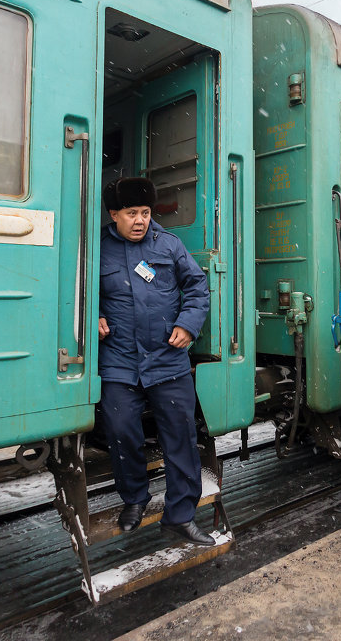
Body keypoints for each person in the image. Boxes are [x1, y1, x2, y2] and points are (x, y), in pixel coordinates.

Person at [97, 177, 214, 546]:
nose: (140, 221)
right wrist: (92, 317)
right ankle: (134, 497)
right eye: (131, 213)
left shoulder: (170, 245)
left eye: (145, 213)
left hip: (167, 358)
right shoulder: (96, 250)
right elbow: (78, 292)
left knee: (181, 437)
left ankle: (180, 515)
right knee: (120, 430)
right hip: (119, 360)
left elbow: (197, 287)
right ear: (114, 214)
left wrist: (188, 325)